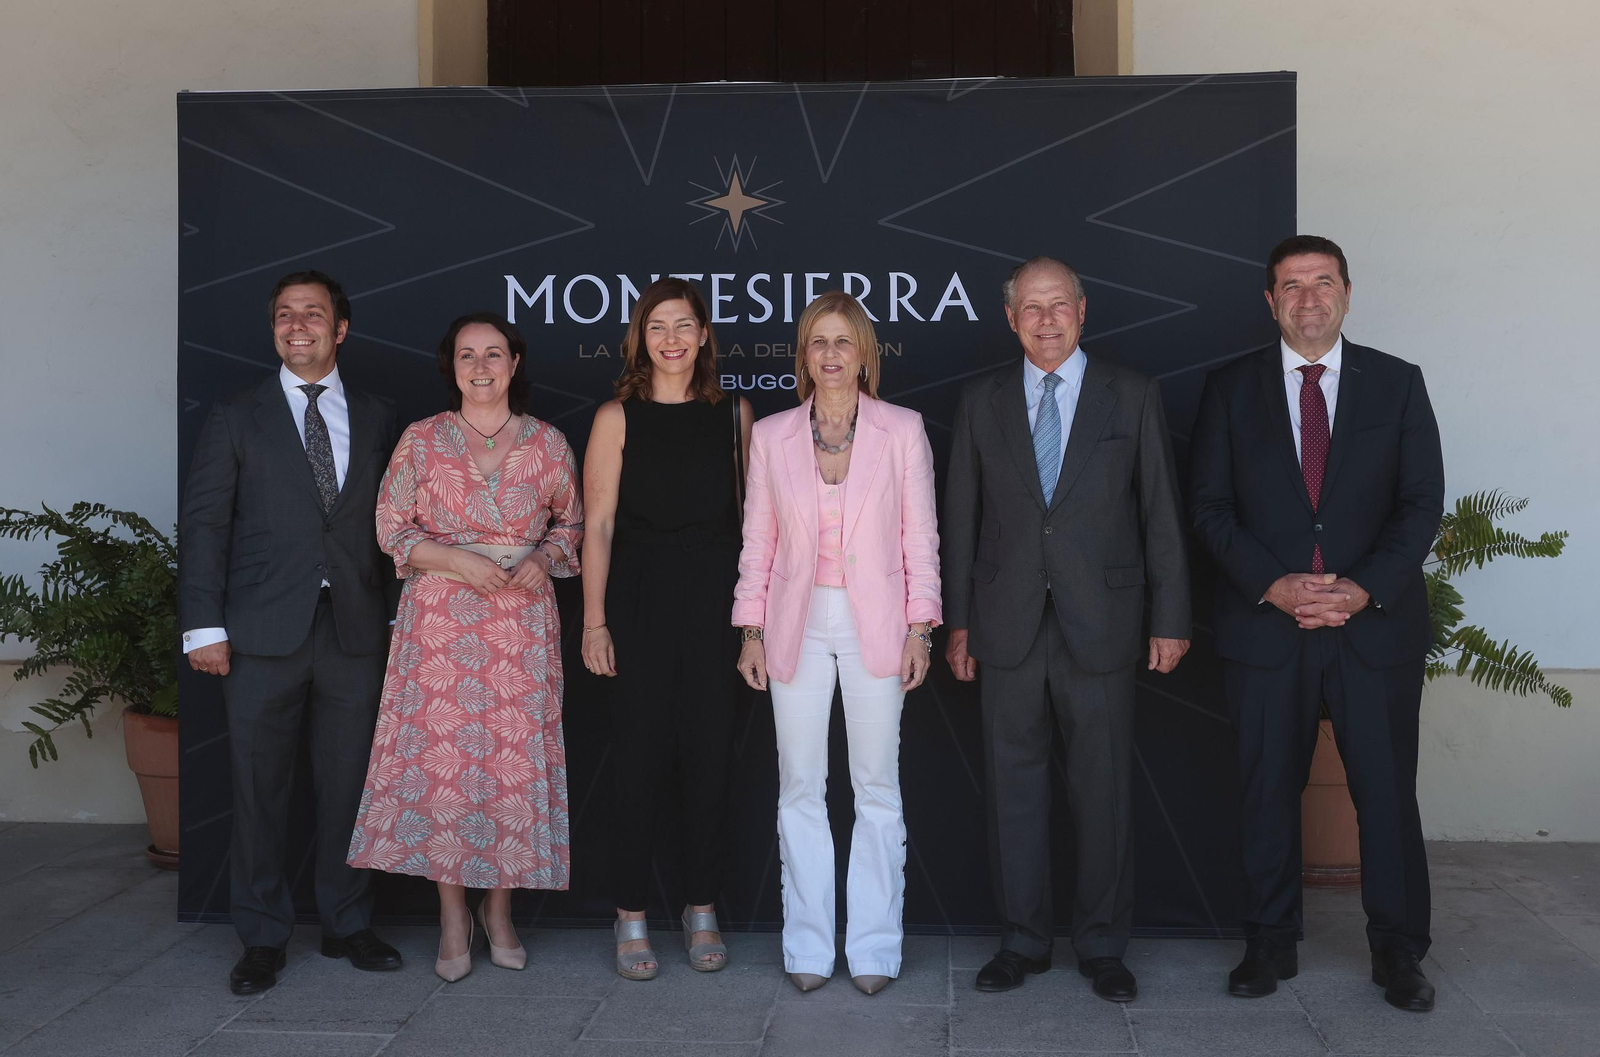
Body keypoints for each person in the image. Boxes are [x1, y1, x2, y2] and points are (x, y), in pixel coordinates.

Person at [1189, 236, 1444, 1012]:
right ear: (1270, 301)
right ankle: (1269, 943)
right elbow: (1208, 506)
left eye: (1322, 282)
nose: (1308, 298)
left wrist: (1364, 588)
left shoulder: (1398, 385)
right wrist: (1274, 584)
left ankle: (1398, 952)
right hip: (1269, 628)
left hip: (1372, 630)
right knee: (1267, 790)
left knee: (1387, 794)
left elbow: (1420, 503)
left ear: (1347, 291)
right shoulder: (1230, 389)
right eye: (1291, 285)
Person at [942, 256, 1190, 1002]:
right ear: (1010, 318)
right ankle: (1021, 939)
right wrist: (958, 624)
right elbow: (961, 519)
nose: (1045, 319)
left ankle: (1104, 944)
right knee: (1012, 789)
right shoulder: (981, 400)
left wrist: (1171, 616)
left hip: (1104, 621)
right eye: (1030, 307)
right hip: (1005, 623)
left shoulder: (1133, 394)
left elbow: (1160, 516)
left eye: (1059, 305)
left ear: (1083, 312)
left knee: (1103, 787)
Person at [179, 270, 403, 995]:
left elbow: (397, 527)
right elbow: (207, 525)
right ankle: (263, 936)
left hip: (356, 631)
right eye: (284, 314)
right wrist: (203, 627)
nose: (297, 324)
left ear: (341, 329)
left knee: (349, 787)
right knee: (258, 790)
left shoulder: (376, 416)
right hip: (256, 634)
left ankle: (346, 921)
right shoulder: (236, 414)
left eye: (314, 313)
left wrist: (406, 616)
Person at [345, 312, 583, 983]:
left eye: (494, 355)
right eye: (467, 356)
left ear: (514, 364)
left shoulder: (547, 442)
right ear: (452, 367)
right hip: (442, 621)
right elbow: (390, 525)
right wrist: (453, 561)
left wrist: (545, 556)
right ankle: (453, 913)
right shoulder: (422, 441)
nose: (481, 368)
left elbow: (573, 521)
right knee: (445, 762)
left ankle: (499, 910)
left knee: (512, 762)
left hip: (520, 622)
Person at [733, 290, 941, 996]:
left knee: (877, 786)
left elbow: (921, 537)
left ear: (864, 354)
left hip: (875, 623)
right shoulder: (771, 435)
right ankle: (810, 945)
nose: (830, 355)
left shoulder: (903, 430)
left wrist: (921, 628)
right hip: (796, 620)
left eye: (842, 342)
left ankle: (876, 945)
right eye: (817, 343)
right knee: (800, 787)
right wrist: (751, 631)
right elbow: (757, 541)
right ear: (803, 356)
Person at [580, 278, 751, 981]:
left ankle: (701, 906)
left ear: (704, 335)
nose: (672, 339)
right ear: (639, 339)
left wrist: (753, 624)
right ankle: (629, 913)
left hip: (716, 603)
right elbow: (597, 524)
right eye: (658, 327)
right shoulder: (617, 416)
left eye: (684, 325)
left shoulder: (736, 414)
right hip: (639, 604)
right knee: (639, 763)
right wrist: (594, 620)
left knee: (711, 762)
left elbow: (755, 525)